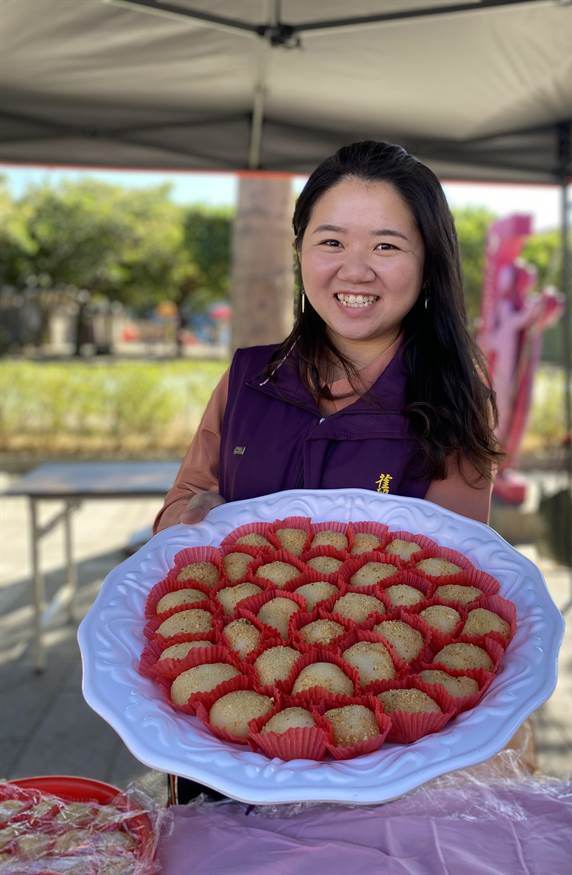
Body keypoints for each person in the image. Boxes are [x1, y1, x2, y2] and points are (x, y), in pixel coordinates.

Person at [154, 140, 503, 803]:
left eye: (387, 246)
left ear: (428, 263)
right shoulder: (247, 379)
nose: (356, 269)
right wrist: (191, 518)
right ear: (300, 251)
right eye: (332, 241)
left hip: (380, 757)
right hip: (226, 733)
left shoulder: (455, 403)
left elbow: (453, 589)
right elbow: (184, 501)